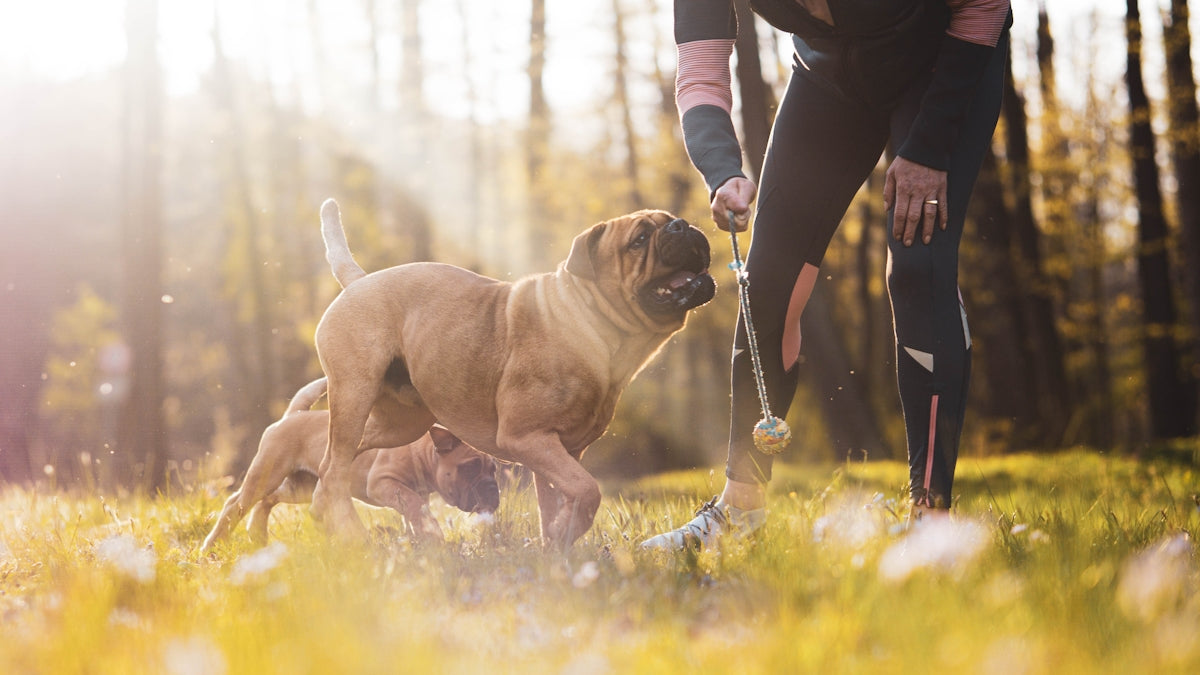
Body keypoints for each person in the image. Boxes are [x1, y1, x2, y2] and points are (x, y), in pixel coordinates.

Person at [640, 0, 1012, 550]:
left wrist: (930, 148)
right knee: (766, 282)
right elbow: (700, 76)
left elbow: (984, 7)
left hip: (943, 66)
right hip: (830, 81)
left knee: (916, 267)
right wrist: (723, 171)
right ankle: (739, 514)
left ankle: (930, 520)